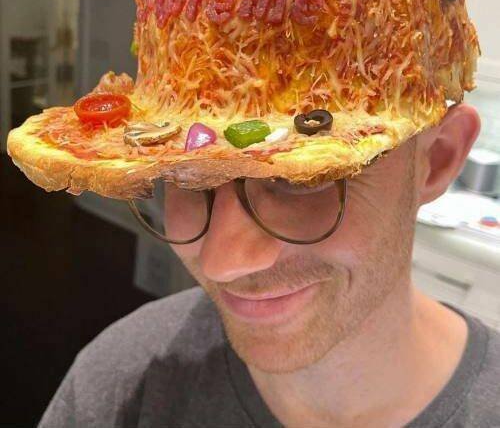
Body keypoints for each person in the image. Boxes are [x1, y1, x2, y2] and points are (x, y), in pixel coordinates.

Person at [38, 102, 500, 427]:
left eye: (303, 176)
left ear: (436, 158)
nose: (222, 263)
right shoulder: (119, 384)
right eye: (185, 175)